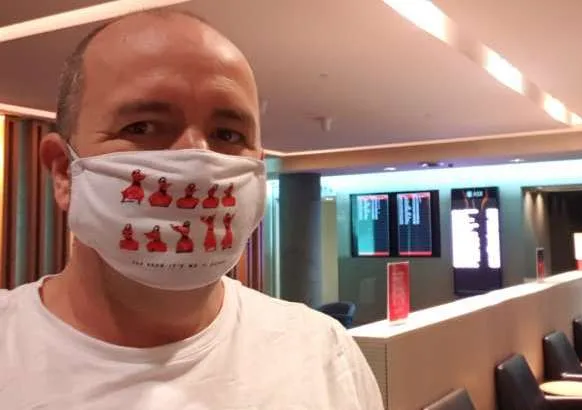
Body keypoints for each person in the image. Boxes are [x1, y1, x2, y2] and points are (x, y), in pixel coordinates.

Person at [0, 10, 383, 409]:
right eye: (143, 127)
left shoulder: (324, 355)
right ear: (64, 172)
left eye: (227, 134)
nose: (197, 159)